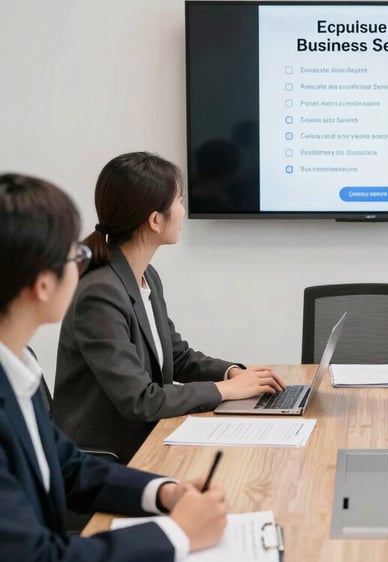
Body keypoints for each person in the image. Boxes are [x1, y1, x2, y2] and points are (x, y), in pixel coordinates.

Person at [0, 173, 229, 560]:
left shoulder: (18, 370)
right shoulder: (100, 292)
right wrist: (177, 534)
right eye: (75, 255)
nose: (83, 265)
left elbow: (70, 467)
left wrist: (165, 492)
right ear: (42, 285)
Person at [54, 152, 285, 461]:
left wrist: (233, 373)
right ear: (155, 220)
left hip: (146, 440)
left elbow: (176, 356)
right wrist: (225, 391)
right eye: (179, 201)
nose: (183, 210)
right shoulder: (100, 295)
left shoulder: (145, 275)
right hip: (105, 458)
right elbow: (139, 400)